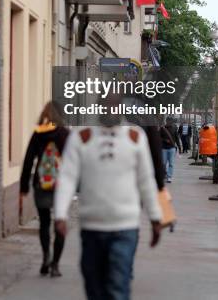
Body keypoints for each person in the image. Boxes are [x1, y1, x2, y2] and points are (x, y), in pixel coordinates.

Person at [54, 112, 162, 300]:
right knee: (94, 288)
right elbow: (67, 177)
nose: (111, 111)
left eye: (116, 106)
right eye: (107, 105)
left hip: (125, 227)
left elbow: (146, 180)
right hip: (91, 226)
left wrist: (155, 217)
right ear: (99, 107)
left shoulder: (135, 137)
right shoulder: (82, 137)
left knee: (118, 287)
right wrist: (60, 214)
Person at [20, 103, 69, 277]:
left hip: (41, 184)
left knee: (44, 222)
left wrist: (24, 186)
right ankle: (55, 264)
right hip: (62, 186)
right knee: (60, 223)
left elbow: (28, 160)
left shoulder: (39, 133)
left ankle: (45, 257)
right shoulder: (65, 134)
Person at [160, 117, 181, 183]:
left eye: (170, 121)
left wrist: (180, 148)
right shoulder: (162, 128)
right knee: (163, 163)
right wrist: (164, 140)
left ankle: (169, 177)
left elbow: (177, 138)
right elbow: (158, 137)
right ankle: (164, 174)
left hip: (172, 148)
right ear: (166, 121)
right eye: (168, 120)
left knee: (171, 163)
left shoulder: (174, 128)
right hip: (164, 148)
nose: (169, 122)